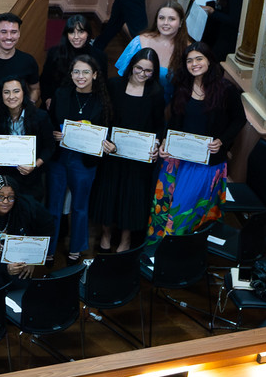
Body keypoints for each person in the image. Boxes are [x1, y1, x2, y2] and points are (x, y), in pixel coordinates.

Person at [150, 41, 243, 238]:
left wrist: (222, 141)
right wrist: (166, 141)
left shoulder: (226, 89)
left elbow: (239, 119)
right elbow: (174, 120)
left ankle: (176, 254)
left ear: (209, 61)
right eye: (189, 60)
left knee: (182, 210)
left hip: (206, 163)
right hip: (177, 158)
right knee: (163, 206)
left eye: (199, 59)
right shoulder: (182, 87)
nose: (194, 64)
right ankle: (156, 254)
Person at [95, 47, 166, 253]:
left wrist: (157, 143)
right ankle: (106, 234)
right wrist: (105, 139)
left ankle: (126, 239)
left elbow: (159, 123)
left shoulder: (156, 92)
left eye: (148, 71)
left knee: (131, 196)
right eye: (139, 68)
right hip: (113, 151)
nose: (142, 74)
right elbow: (104, 115)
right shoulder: (115, 85)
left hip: (139, 156)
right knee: (109, 193)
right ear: (131, 66)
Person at [48, 55, 114, 261]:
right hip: (59, 157)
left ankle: (75, 248)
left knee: (79, 206)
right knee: (53, 206)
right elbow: (48, 123)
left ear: (95, 75)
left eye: (86, 72)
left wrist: (109, 144)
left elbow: (108, 130)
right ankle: (48, 250)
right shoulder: (61, 94)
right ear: (71, 74)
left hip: (85, 161)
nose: (80, 76)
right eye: (76, 71)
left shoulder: (102, 100)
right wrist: (53, 133)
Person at [0, 75, 53, 206]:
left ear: (24, 92)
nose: (11, 96)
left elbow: (49, 147)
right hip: (4, 178)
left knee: (29, 216)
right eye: (6, 92)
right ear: (1, 95)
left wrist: (34, 164)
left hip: (31, 178)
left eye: (16, 91)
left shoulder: (40, 117)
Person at [116, 1, 186, 90]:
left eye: (171, 19)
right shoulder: (139, 41)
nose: (165, 22)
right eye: (161, 18)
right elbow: (123, 76)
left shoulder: (186, 48)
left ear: (181, 22)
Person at [41, 12, 105, 102]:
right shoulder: (54, 53)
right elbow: (45, 80)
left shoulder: (99, 56)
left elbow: (102, 85)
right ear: (66, 34)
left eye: (81, 32)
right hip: (59, 100)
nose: (76, 37)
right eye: (71, 32)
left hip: (87, 101)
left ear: (88, 34)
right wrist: (48, 98)